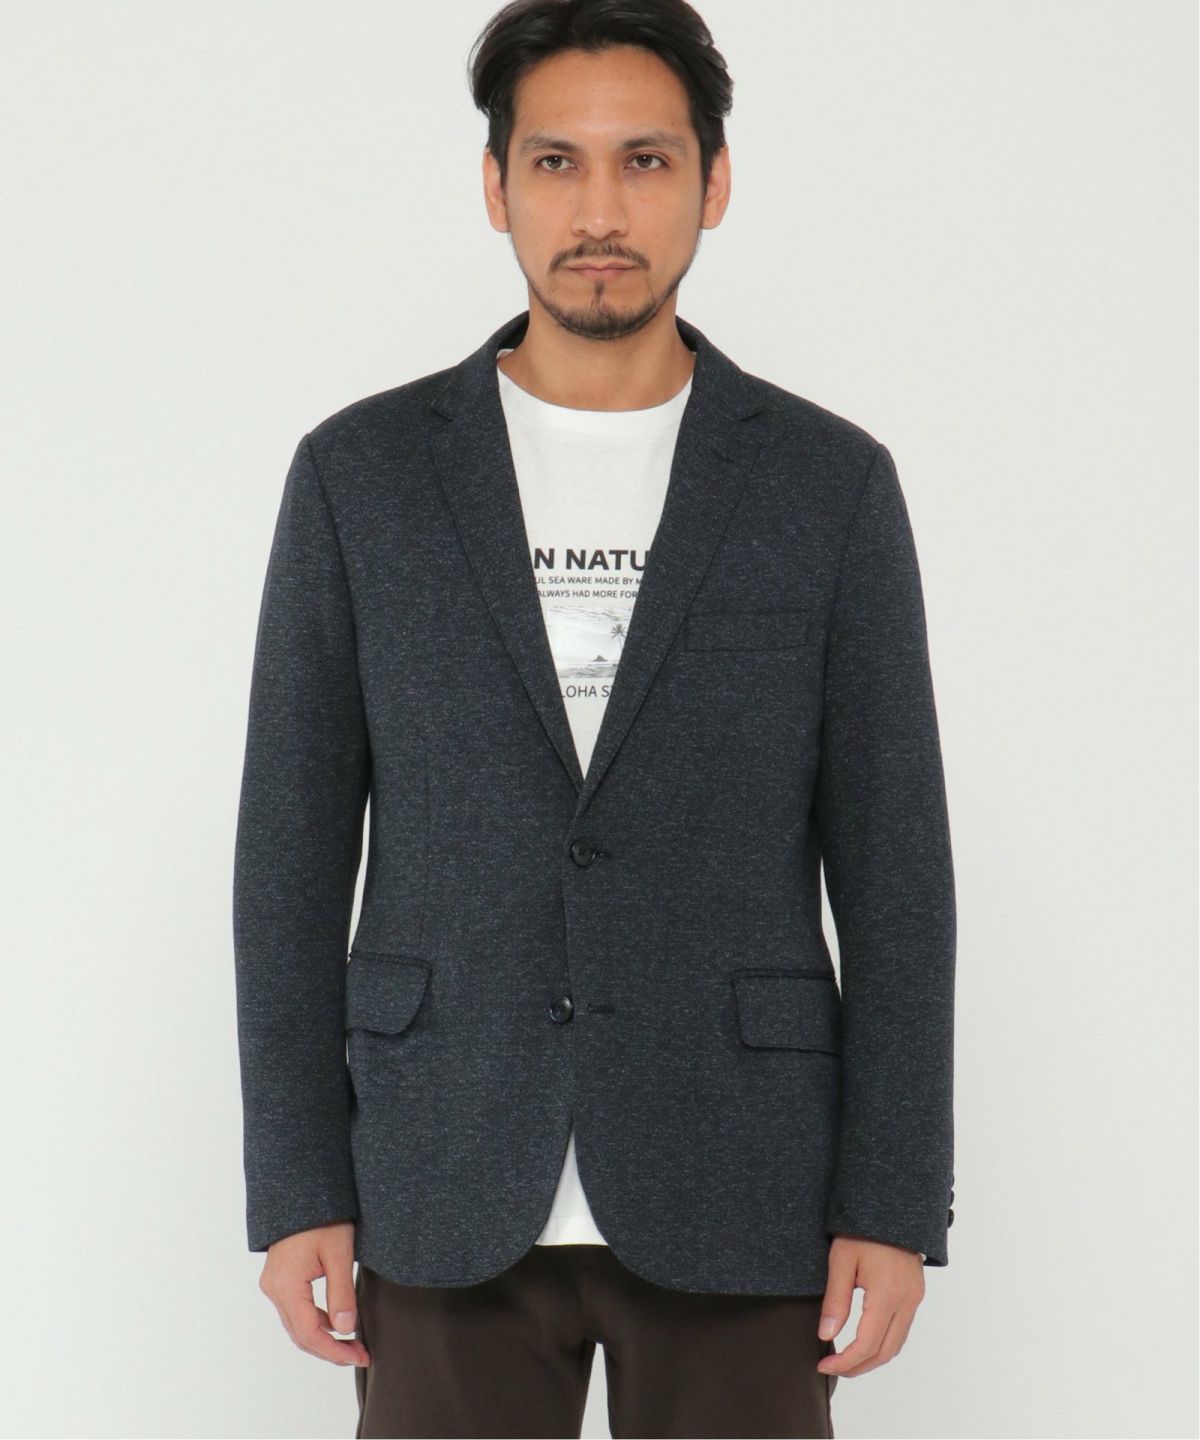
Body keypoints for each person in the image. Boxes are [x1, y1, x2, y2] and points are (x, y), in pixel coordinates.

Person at [232, 2, 956, 1436]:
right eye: (556, 163)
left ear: (715, 182)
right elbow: (288, 858)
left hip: (743, 1179)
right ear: (495, 184)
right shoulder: (362, 477)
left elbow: (897, 870)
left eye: (647, 161)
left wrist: (891, 1197)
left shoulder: (828, 485)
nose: (601, 212)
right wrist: (299, 1181)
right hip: (441, 1168)